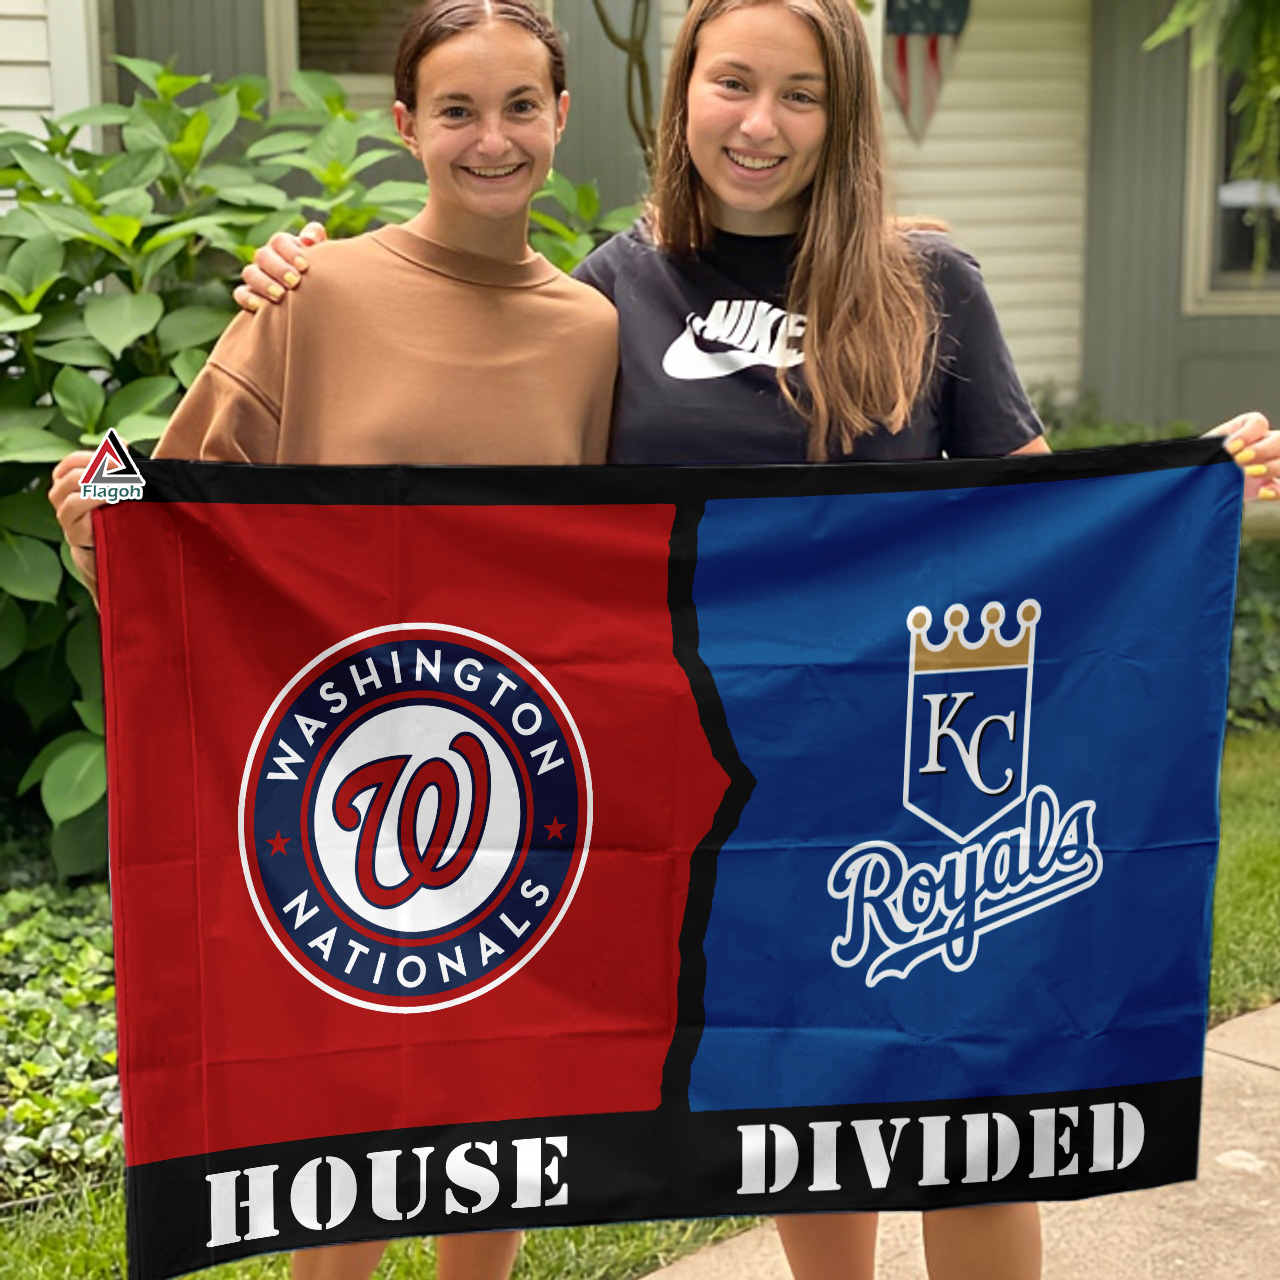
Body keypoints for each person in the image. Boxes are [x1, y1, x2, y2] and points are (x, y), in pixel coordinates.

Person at [230, 2, 1280, 1278]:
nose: (759, 124)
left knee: (967, 1119)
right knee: (806, 1113)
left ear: (843, 117)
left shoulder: (926, 282)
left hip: (919, 773)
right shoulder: (612, 294)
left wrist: (1178, 490)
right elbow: (519, 499)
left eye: (800, 93)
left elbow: (1037, 519)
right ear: (682, 94)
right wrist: (301, 287)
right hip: (725, 788)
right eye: (731, 83)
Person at [48, 4, 615, 1280]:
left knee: (495, 1096)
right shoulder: (316, 291)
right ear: (403, 124)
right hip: (336, 763)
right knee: (348, 1094)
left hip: (516, 761)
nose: (490, 139)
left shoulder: (590, 330)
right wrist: (95, 524)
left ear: (561, 118)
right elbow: (178, 506)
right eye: (456, 111)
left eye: (519, 107)